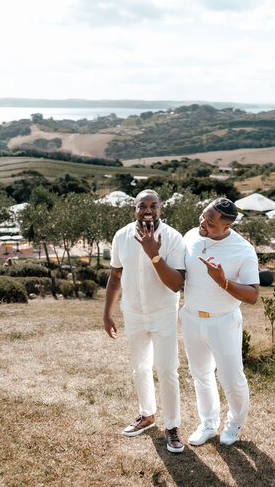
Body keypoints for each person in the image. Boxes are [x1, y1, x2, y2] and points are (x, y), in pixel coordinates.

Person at [102, 189, 186, 453]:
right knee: (140, 368)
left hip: (163, 313)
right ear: (134, 209)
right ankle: (147, 416)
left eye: (153, 205)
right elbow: (115, 276)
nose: (148, 210)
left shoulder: (172, 238)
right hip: (134, 313)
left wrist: (154, 254)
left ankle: (172, 427)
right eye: (142, 206)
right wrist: (107, 313)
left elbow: (176, 284)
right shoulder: (121, 236)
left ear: (161, 209)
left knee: (167, 369)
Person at [181, 198, 260, 447]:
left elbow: (253, 295)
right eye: (203, 216)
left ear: (226, 227)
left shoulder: (243, 250)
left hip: (223, 322)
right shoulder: (191, 235)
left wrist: (223, 281)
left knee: (232, 378)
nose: (202, 222)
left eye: (210, 221)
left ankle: (234, 423)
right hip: (191, 317)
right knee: (201, 375)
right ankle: (208, 423)